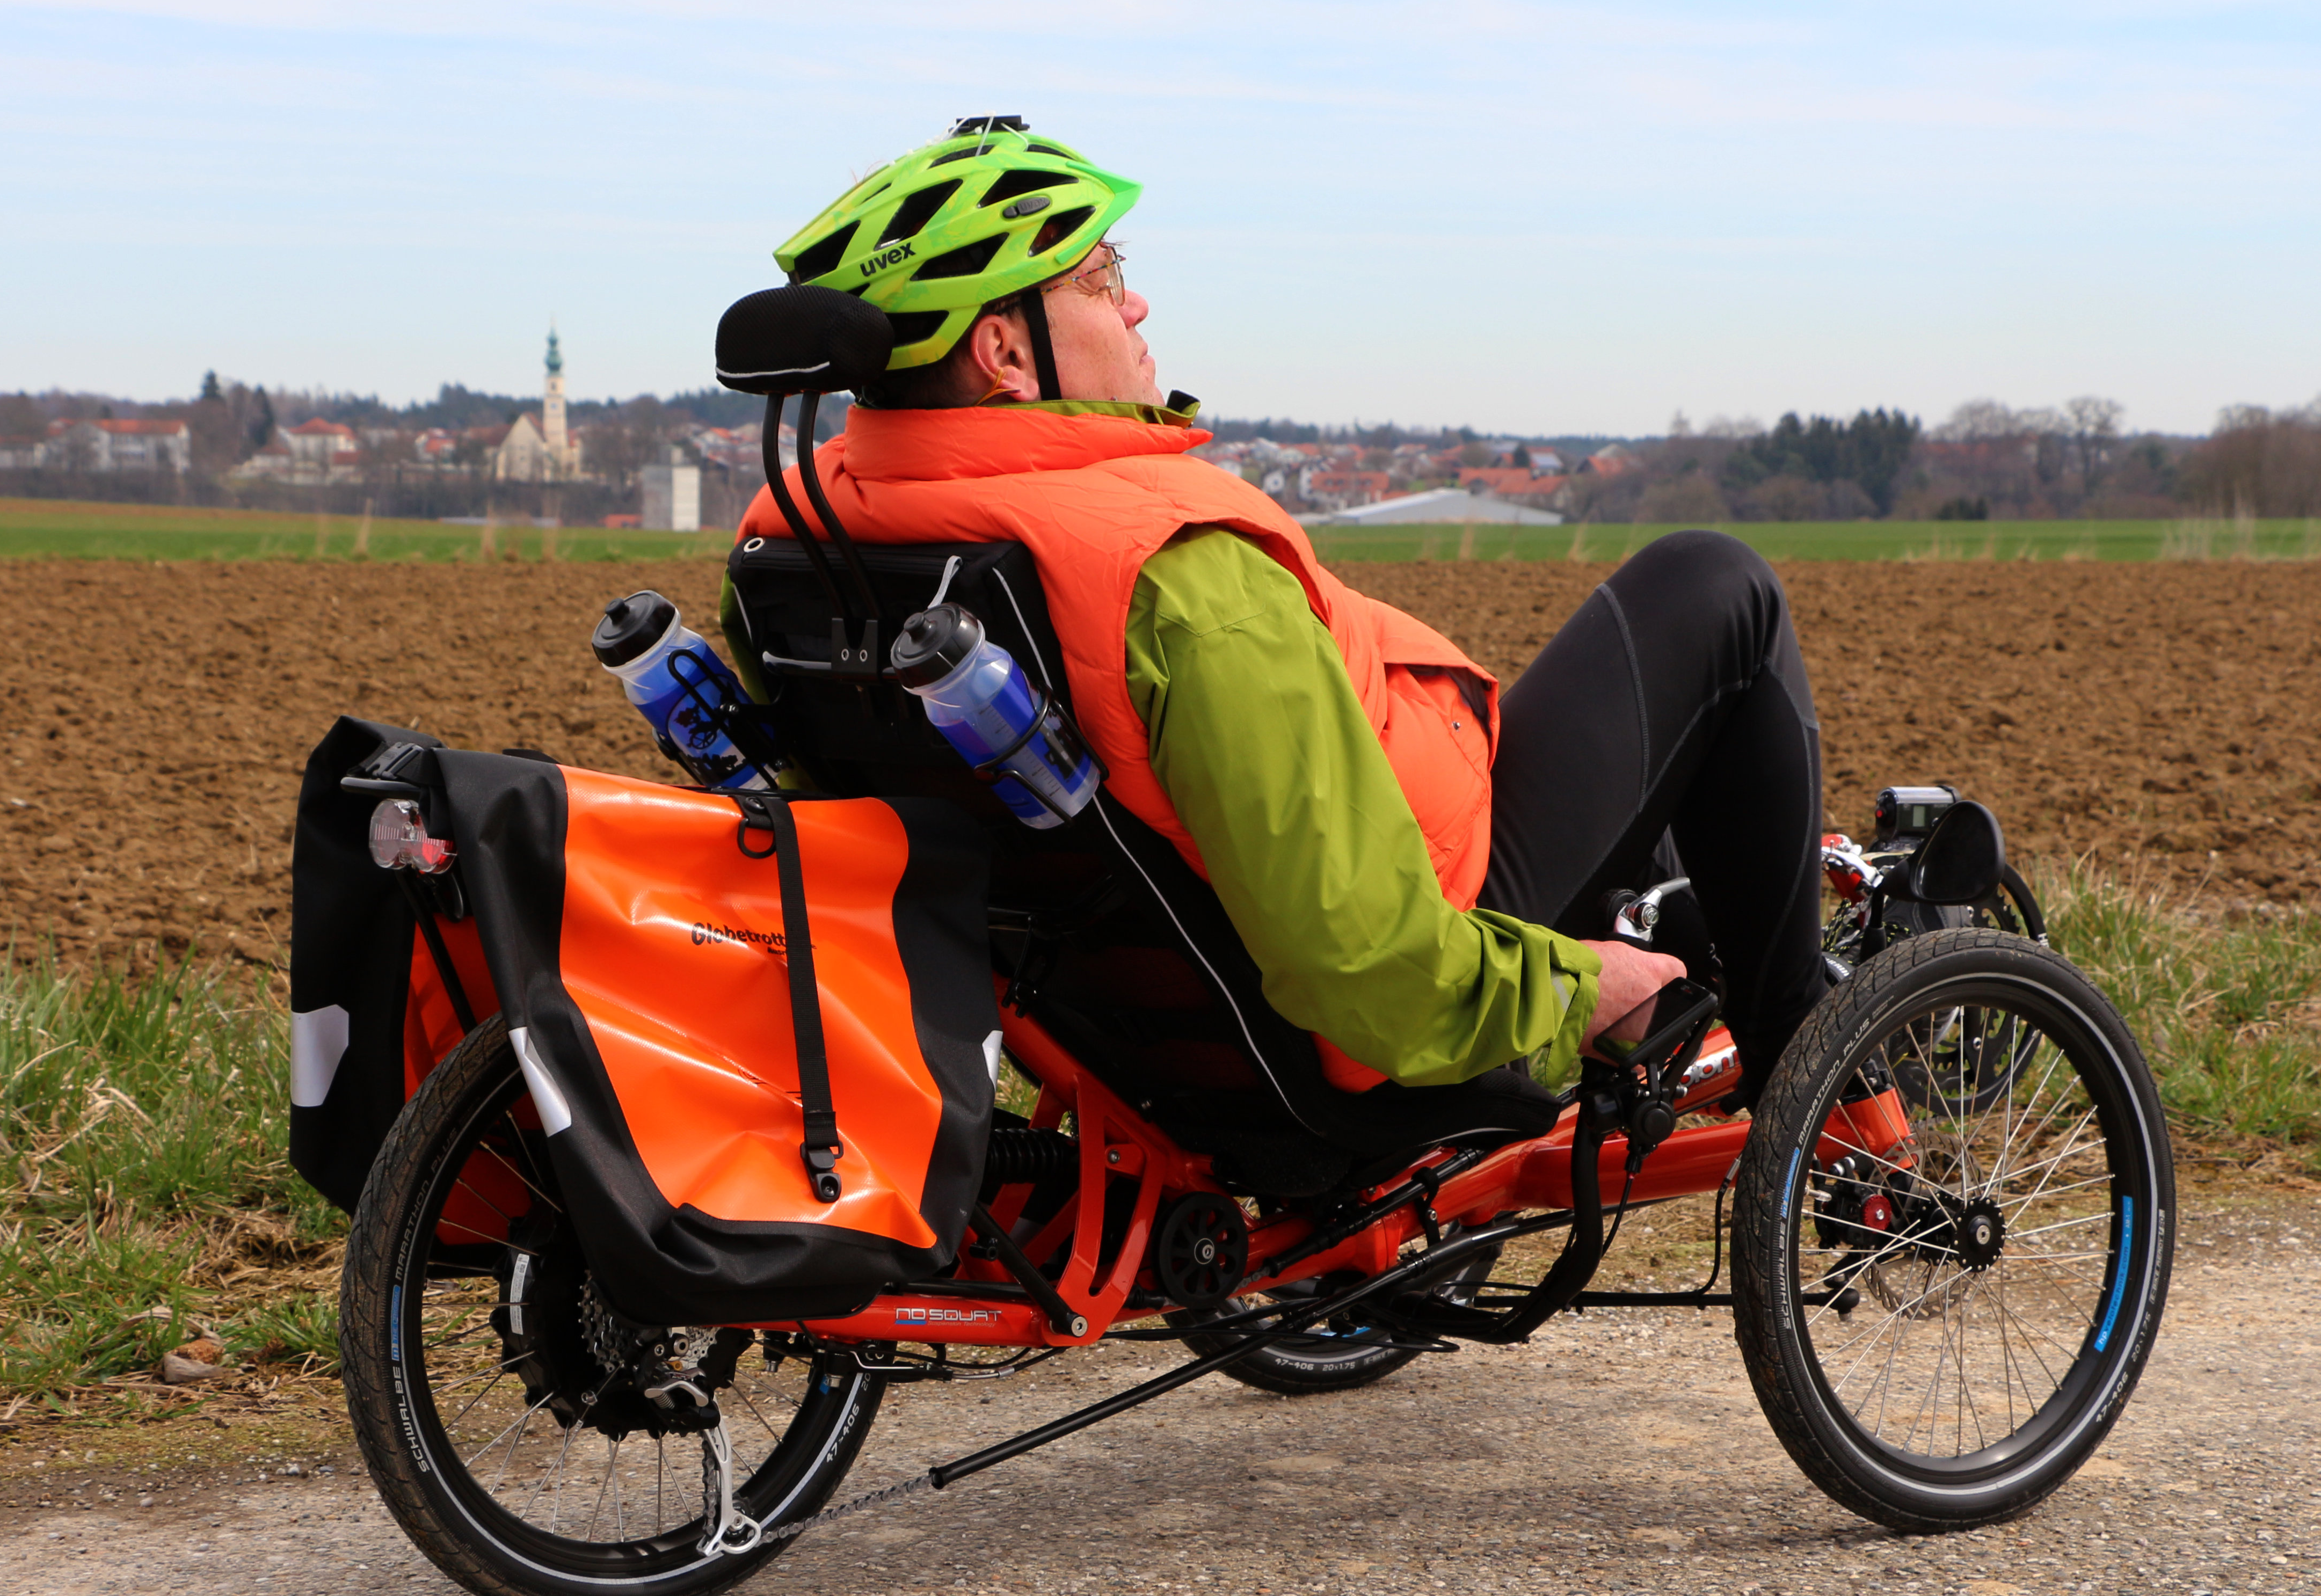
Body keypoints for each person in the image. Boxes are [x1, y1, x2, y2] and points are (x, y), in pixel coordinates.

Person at [733, 119, 1828, 1101]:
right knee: (1711, 583)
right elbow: (1367, 965)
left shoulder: (802, 541)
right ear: (1006, 352)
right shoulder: (1171, 577)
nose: (1136, 302)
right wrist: (1577, 988)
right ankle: (1820, 1084)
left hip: (1120, 1022)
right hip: (1412, 972)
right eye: (1100, 276)